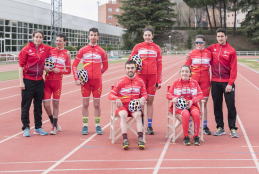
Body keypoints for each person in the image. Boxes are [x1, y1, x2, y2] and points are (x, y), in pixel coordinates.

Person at [72, 27, 108, 135]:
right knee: (85, 104)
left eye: (95, 35)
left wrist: (98, 74)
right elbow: (74, 65)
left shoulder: (102, 51)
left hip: (97, 81)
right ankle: (85, 126)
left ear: (98, 37)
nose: (93, 37)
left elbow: (105, 66)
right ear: (89, 36)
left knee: (97, 104)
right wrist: (77, 79)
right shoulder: (83, 50)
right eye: (91, 35)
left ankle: (97, 125)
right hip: (85, 83)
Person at [128, 27, 162, 135]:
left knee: (150, 101)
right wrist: (133, 75)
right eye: (145, 35)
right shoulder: (138, 47)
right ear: (143, 36)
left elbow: (160, 65)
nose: (147, 37)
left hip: (152, 76)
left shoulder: (157, 48)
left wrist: (159, 80)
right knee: (141, 101)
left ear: (152, 36)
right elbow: (130, 61)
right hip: (140, 76)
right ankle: (141, 123)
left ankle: (150, 125)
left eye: (149, 35)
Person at [19, 30, 52, 137]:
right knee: (26, 105)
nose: (38, 39)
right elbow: (21, 66)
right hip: (28, 81)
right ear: (33, 37)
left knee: (38, 106)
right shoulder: (26, 49)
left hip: (39, 81)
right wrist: (21, 82)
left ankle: (38, 127)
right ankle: (26, 127)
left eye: (40, 37)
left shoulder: (45, 48)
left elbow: (55, 51)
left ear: (42, 38)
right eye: (36, 37)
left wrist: (67, 52)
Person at [108, 60, 147, 150]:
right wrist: (116, 98)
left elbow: (145, 94)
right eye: (128, 68)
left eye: (132, 68)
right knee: (123, 116)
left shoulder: (140, 81)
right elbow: (110, 94)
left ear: (135, 68)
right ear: (125, 69)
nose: (130, 70)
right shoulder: (121, 81)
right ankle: (125, 139)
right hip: (123, 107)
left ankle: (140, 138)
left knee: (138, 115)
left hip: (135, 107)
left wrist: (143, 98)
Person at [206, 28, 238, 138]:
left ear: (226, 37)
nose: (220, 38)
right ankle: (220, 127)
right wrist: (190, 55)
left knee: (230, 105)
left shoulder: (231, 50)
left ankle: (233, 128)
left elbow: (234, 69)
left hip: (227, 82)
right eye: (218, 36)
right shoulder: (212, 48)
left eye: (222, 36)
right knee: (217, 105)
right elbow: (201, 52)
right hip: (214, 82)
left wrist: (230, 84)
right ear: (216, 37)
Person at [167, 65, 204, 145]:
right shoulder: (175, 82)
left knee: (196, 114)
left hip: (191, 105)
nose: (184, 73)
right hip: (179, 107)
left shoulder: (195, 82)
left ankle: (196, 136)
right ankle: (185, 137)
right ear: (180, 73)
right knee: (186, 114)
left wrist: (192, 101)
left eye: (187, 71)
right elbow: (168, 95)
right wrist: (173, 98)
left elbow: (201, 95)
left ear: (190, 73)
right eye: (183, 71)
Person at [43, 34, 71, 135]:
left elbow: (68, 70)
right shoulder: (50, 51)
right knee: (46, 105)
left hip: (57, 82)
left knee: (55, 104)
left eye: (60, 41)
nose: (58, 42)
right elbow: (42, 61)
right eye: (57, 40)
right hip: (47, 81)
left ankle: (54, 127)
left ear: (65, 42)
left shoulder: (67, 54)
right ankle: (53, 122)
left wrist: (59, 70)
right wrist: (44, 67)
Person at [185, 35, 212, 135]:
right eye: (196, 42)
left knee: (203, 103)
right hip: (194, 82)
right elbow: (186, 67)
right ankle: (190, 125)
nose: (198, 44)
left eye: (200, 42)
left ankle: (204, 126)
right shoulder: (191, 54)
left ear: (204, 43)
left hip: (205, 82)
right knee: (192, 103)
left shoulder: (209, 54)